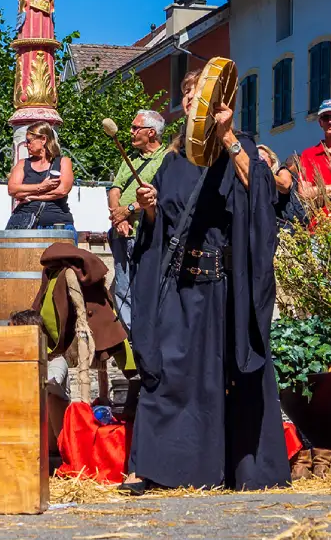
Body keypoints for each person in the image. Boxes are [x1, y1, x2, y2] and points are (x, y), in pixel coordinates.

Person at [123, 68, 290, 493]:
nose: (189, 102)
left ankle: (244, 470)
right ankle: (155, 469)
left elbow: (261, 195)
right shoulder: (173, 163)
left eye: (197, 94)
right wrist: (149, 208)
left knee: (237, 371)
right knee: (169, 370)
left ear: (218, 101)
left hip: (228, 288)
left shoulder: (242, 148)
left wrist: (230, 136)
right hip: (182, 287)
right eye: (185, 96)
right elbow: (163, 226)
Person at [107, 110, 166, 334]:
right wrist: (117, 215)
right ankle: (134, 337)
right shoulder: (130, 160)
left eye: (135, 128)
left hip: (146, 232)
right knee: (123, 288)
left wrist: (129, 210)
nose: (130, 132)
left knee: (147, 287)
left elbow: (162, 194)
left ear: (151, 133)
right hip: (122, 231)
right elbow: (115, 188)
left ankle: (150, 335)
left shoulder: (165, 159)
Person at [10, 308, 69, 453]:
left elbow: (51, 381)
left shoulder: (55, 359)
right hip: (24, 427)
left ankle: (62, 454)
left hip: (49, 431)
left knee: (52, 399)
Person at [6, 123, 75, 229]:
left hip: (57, 223)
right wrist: (41, 186)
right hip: (24, 223)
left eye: (29, 141)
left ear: (43, 139)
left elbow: (62, 191)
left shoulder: (63, 162)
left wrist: (31, 196)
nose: (26, 145)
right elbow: (12, 189)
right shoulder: (22, 164)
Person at [258, 144, 306, 230]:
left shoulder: (281, 171)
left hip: (292, 225)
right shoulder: (259, 185)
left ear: (271, 159)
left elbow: (285, 185)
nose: (258, 158)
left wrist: (264, 172)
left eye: (261, 155)